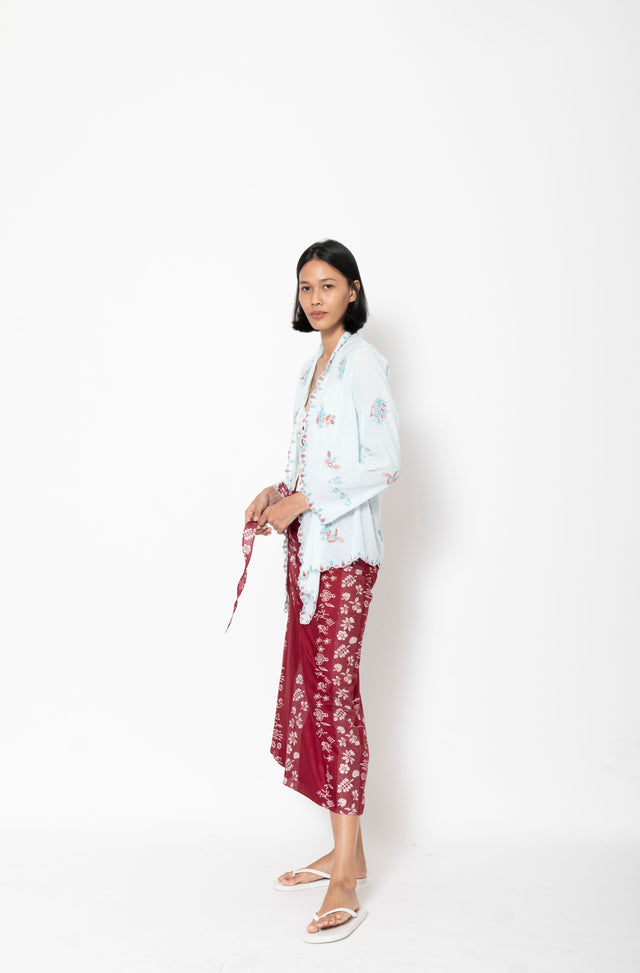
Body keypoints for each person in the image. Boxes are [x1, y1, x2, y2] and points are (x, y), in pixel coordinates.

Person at [244, 239, 400, 943]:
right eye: (306, 286)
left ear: (353, 291)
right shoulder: (311, 368)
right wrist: (275, 492)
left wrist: (304, 501)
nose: (315, 297)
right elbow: (309, 462)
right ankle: (348, 852)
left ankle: (346, 875)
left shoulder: (364, 363)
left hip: (344, 555)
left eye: (328, 285)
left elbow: (385, 463)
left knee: (336, 695)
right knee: (316, 687)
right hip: (308, 557)